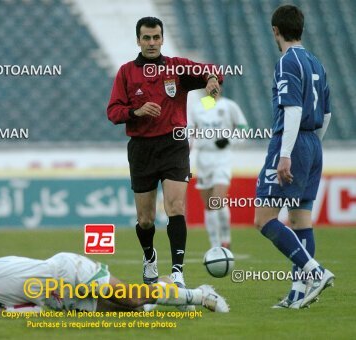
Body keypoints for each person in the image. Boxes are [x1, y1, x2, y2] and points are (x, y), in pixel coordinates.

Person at [107, 17, 223, 288]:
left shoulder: (177, 67)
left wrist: (212, 80)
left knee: (176, 207)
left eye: (156, 37)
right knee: (145, 220)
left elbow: (213, 70)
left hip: (174, 145)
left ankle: (177, 272)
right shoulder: (126, 72)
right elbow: (113, 112)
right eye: (146, 38)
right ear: (138, 40)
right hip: (141, 149)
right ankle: (149, 256)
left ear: (162, 38)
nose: (151, 42)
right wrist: (136, 111)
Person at [254, 5, 334, 309]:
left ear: (276, 31)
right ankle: (298, 294)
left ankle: (316, 271)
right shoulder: (316, 61)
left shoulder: (287, 61)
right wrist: (312, 147)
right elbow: (326, 113)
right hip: (313, 142)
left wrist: (287, 154)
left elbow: (293, 109)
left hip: (292, 141)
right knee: (301, 219)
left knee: (264, 219)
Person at [0, 252, 229, 314]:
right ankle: (169, 287)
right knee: (132, 308)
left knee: (132, 299)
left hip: (66, 271)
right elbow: (9, 311)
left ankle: (200, 294)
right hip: (57, 298)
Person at [189, 92, 248, 249]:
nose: (212, 86)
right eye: (208, 82)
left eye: (215, 82)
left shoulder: (229, 106)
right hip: (203, 159)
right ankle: (215, 245)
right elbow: (189, 131)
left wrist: (230, 140)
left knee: (217, 201)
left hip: (222, 158)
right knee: (210, 205)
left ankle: (225, 240)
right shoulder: (197, 108)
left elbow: (244, 128)